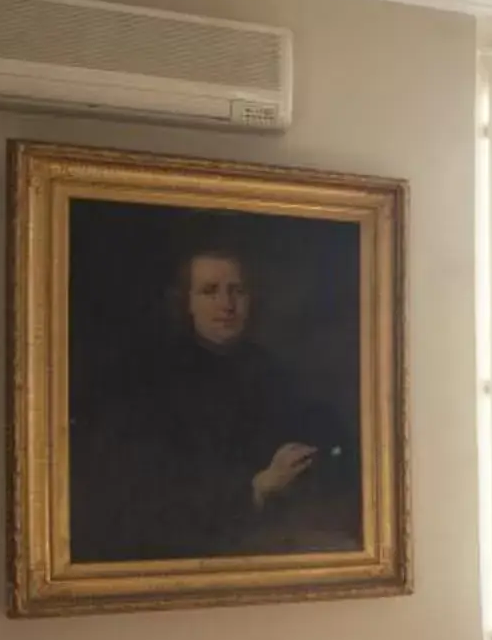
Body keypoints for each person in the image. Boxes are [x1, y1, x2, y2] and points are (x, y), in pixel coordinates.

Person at [72, 237, 360, 562]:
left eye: (237, 291)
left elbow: (329, 446)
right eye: (210, 291)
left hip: (272, 538)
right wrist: (258, 487)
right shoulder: (150, 381)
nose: (227, 304)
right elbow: (153, 493)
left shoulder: (274, 373)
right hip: (185, 550)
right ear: (187, 303)